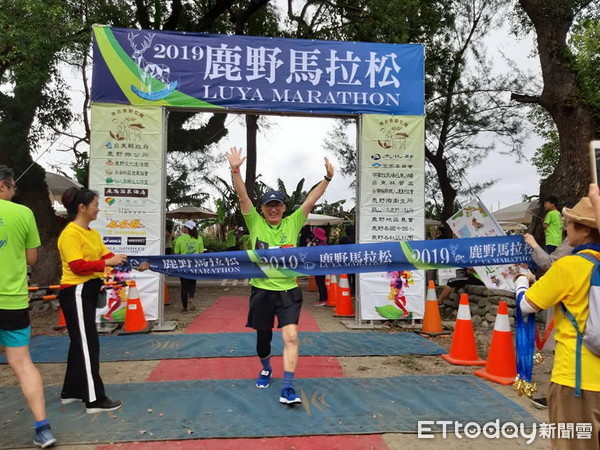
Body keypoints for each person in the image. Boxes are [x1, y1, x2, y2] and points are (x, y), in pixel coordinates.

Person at [226, 146, 334, 405]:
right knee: (263, 338)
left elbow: (310, 200)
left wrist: (328, 179)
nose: (273, 209)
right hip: (261, 291)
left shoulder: (293, 222)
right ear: (263, 209)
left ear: (284, 208)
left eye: (277, 205)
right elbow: (243, 199)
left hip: (289, 291)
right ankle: (265, 368)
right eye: (268, 206)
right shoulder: (256, 223)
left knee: (291, 336)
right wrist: (235, 170)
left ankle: (288, 387)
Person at [516, 197, 600, 450]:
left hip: (577, 379)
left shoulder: (570, 266)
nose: (566, 230)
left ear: (585, 230)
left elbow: (527, 304)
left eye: (570, 224)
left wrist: (522, 279)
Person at [57, 187, 148, 415]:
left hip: (88, 291)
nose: (98, 208)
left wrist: (136, 263)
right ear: (82, 207)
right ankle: (94, 399)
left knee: (80, 343)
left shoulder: (92, 233)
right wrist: (106, 263)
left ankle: (71, 391)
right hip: (76, 291)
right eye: (96, 204)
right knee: (88, 344)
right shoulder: (70, 233)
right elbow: (77, 266)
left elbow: (108, 257)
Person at [0, 166, 57, 447]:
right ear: (3, 186)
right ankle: (43, 428)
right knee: (22, 363)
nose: (15, 191)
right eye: (12, 188)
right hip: (12, 300)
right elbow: (32, 259)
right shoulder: (23, 214)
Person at [173, 220, 204, 313]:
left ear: (187, 229)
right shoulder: (198, 238)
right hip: (194, 265)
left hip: (183, 265)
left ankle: (185, 308)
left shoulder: (180, 239)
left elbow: (176, 253)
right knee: (192, 283)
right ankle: (191, 297)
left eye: (184, 227)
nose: (183, 228)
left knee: (184, 286)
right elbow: (201, 252)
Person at [310, 227, 329, 306]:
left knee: (320, 282)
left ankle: (323, 299)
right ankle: (323, 298)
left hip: (320, 267)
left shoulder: (320, 245)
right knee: (320, 282)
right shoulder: (323, 243)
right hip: (321, 267)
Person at [339, 224, 356, 296]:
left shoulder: (344, 239)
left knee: (347, 277)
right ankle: (355, 291)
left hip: (347, 260)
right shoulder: (357, 239)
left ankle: (349, 291)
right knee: (355, 277)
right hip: (356, 260)